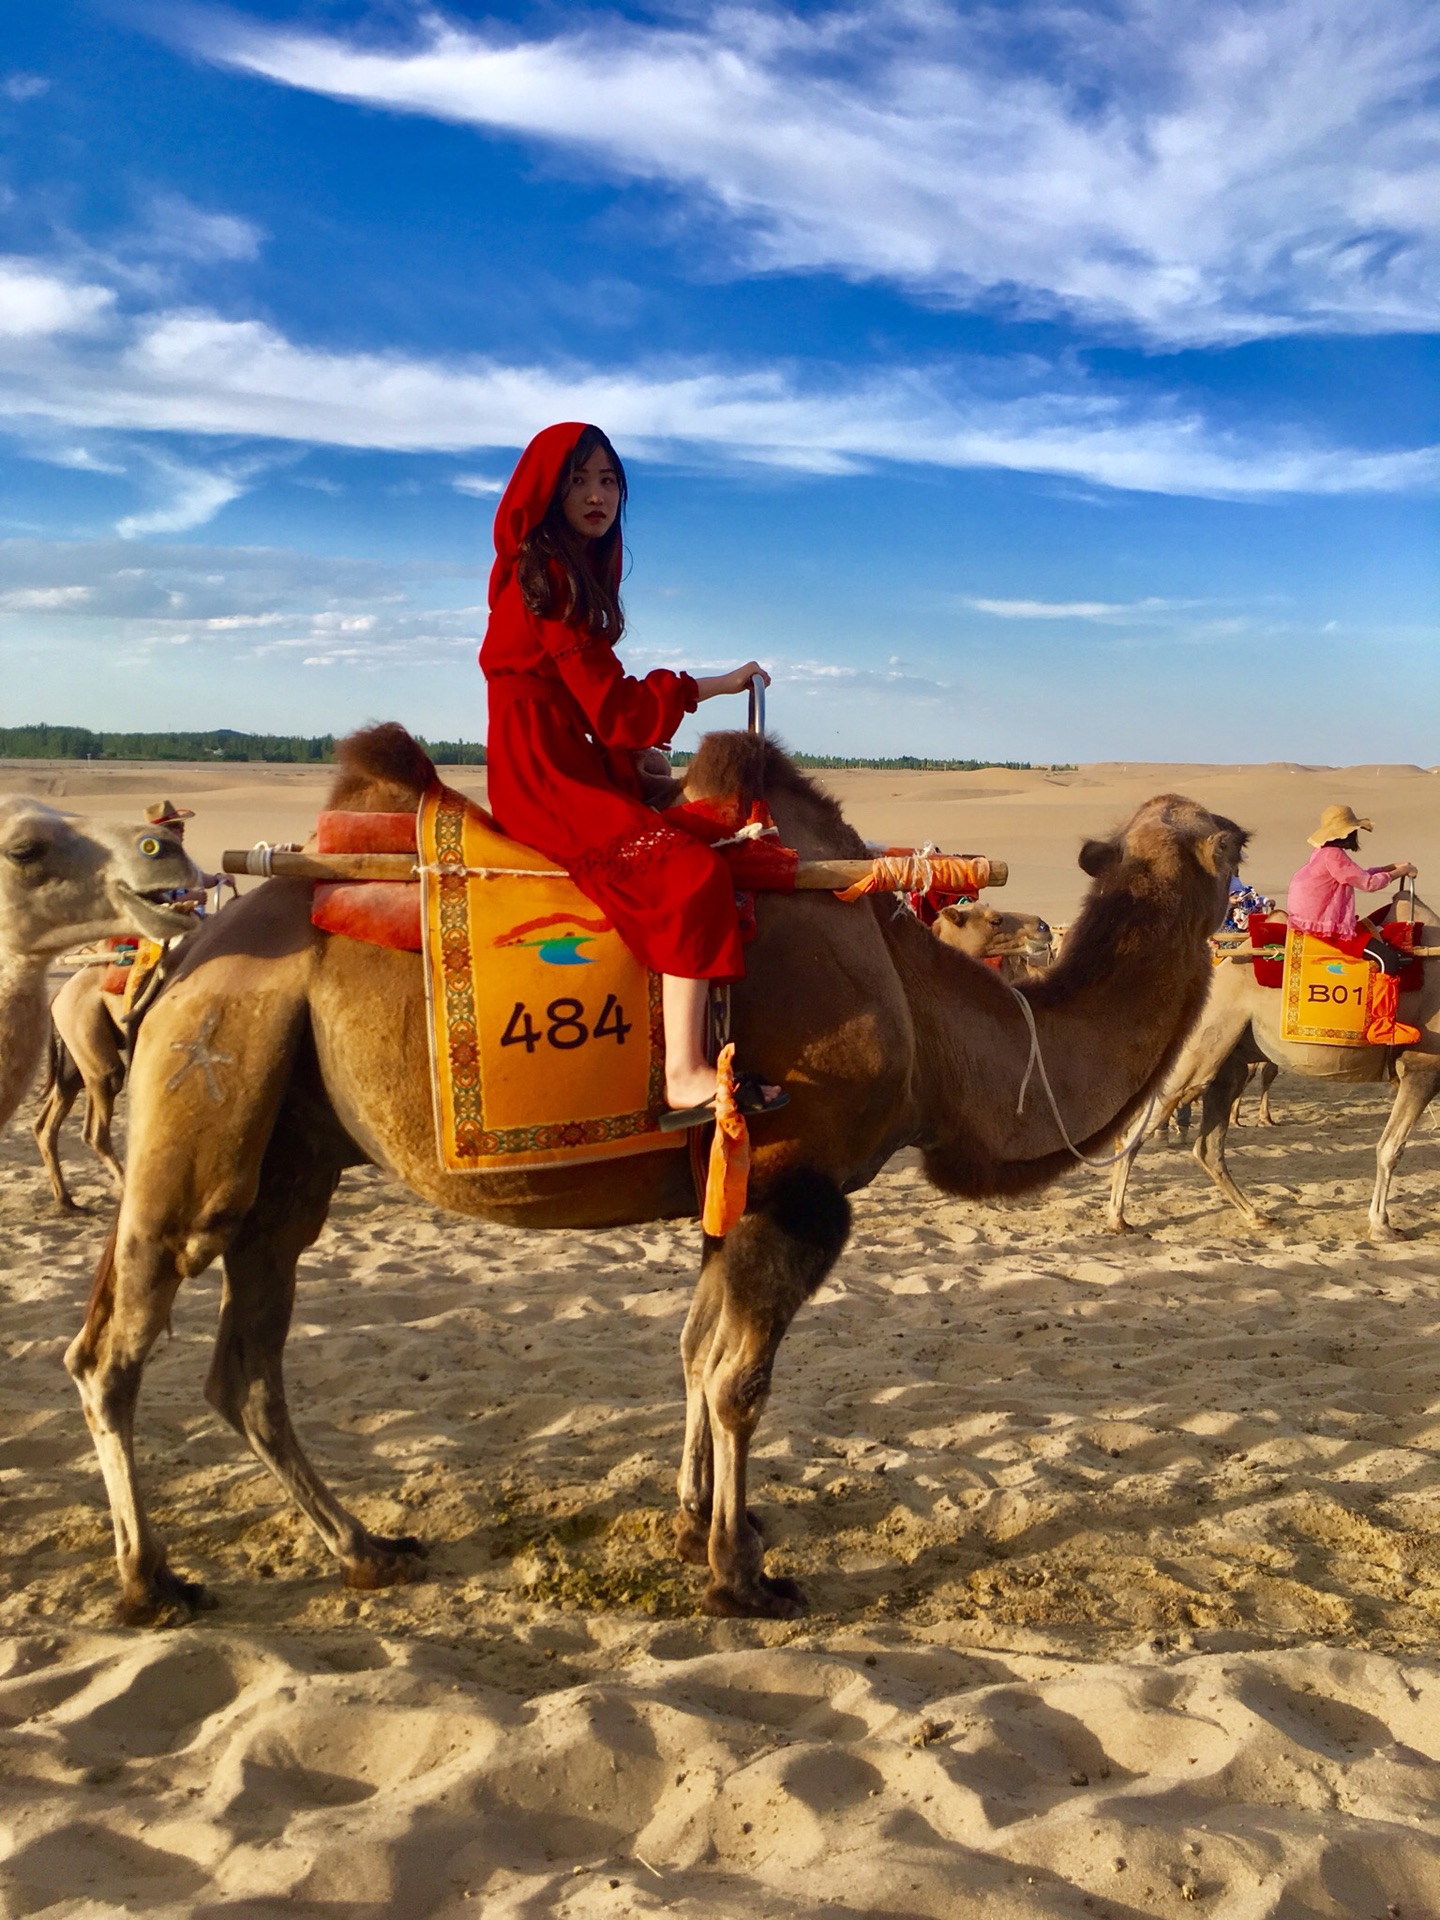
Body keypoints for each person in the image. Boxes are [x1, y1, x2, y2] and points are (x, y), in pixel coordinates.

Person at [479, 421, 787, 1129]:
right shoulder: (549, 576)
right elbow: (616, 709)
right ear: (549, 492)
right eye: (579, 480)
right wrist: (710, 685)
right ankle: (684, 1073)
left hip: (563, 753)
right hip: (545, 773)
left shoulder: (562, 569)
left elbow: (590, 706)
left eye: (608, 480)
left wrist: (624, 754)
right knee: (689, 875)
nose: (596, 495)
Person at [1286, 803, 1419, 1045]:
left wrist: (1390, 867)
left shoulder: (1324, 853)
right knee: (1387, 959)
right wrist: (1401, 873)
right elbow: (1368, 883)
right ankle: (1383, 1025)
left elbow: (1358, 873)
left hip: (1314, 921)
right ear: (1348, 833)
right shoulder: (1334, 856)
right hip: (1327, 928)